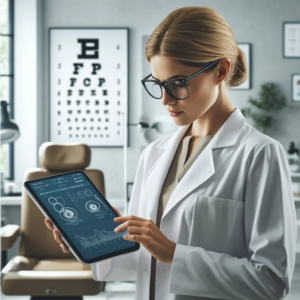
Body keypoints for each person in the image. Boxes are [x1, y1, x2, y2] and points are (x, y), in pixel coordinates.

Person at [45, 6, 297, 300]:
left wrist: (174, 254)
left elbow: (272, 281)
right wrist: (100, 243)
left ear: (221, 70)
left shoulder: (260, 154)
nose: (165, 99)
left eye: (178, 83)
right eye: (158, 84)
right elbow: (140, 264)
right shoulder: (155, 153)